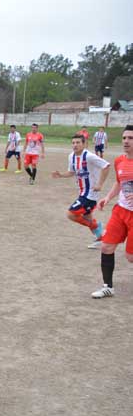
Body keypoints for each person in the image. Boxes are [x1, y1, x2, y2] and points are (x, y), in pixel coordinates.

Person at [91, 125, 133, 298]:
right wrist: (107, 198)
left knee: (131, 257)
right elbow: (119, 182)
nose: (126, 141)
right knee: (106, 247)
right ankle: (108, 287)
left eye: (130, 138)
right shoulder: (119, 161)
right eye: (124, 138)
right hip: (121, 210)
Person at [51, 134, 109, 249]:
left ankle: (98, 227)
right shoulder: (71, 156)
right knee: (87, 217)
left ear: (84, 144)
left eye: (78, 142)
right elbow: (72, 172)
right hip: (82, 192)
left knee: (71, 214)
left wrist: (100, 184)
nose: (75, 145)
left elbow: (106, 166)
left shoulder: (89, 156)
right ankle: (101, 237)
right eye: (73, 143)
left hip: (90, 194)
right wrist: (61, 175)